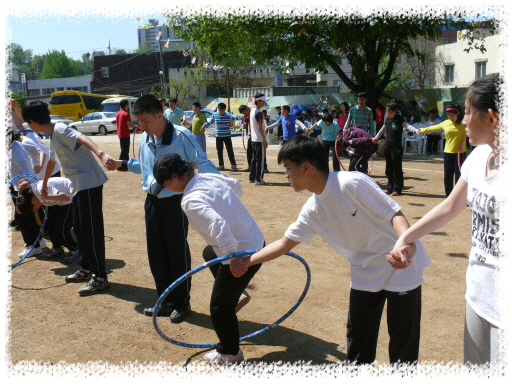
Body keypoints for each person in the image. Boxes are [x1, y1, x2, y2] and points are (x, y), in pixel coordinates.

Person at [231, 135, 431, 366]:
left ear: (306, 167)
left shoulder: (350, 183)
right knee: (358, 337)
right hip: (364, 271)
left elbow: (394, 213)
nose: (285, 175)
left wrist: (407, 245)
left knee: (402, 340)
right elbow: (284, 244)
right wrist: (246, 260)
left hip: (401, 265)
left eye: (287, 168)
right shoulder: (312, 210)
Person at [388, 73, 504, 366]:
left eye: (467, 112)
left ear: (491, 118)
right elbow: (450, 206)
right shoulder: (479, 157)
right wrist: (406, 237)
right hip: (479, 295)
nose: (463, 121)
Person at [111, 94, 219, 323]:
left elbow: (202, 163)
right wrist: (121, 164)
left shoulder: (182, 136)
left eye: (146, 121)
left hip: (175, 202)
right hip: (151, 202)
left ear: (160, 115)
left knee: (177, 252)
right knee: (156, 253)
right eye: (139, 122)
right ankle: (165, 300)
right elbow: (145, 167)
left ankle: (182, 302)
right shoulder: (146, 139)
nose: (142, 126)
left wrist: (221, 190)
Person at [153, 153, 264, 365]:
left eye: (165, 182)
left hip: (243, 253)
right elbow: (235, 186)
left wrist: (234, 259)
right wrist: (226, 204)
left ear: (176, 176)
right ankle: (237, 293)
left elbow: (220, 227)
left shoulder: (190, 200)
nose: (165, 187)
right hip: (257, 240)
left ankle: (230, 353)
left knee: (219, 307)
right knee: (209, 253)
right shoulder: (207, 177)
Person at [22, 100, 116, 296]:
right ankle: (86, 268)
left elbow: (81, 137)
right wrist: (46, 183)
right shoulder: (53, 135)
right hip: (77, 185)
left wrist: (102, 154)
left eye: (28, 124)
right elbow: (52, 161)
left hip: (88, 183)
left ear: (32, 122)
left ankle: (100, 277)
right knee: (80, 230)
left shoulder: (61, 129)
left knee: (91, 231)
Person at [6, 127, 46, 258]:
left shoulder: (15, 149)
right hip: (18, 186)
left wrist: (26, 183)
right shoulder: (11, 147)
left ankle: (32, 246)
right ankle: (38, 241)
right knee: (29, 217)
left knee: (21, 217)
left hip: (25, 187)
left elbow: (25, 166)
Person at [16, 177, 78, 260]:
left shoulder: (42, 190)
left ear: (33, 202)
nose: (37, 209)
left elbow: (66, 197)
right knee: (51, 225)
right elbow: (19, 211)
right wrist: (20, 191)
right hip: (57, 200)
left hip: (69, 198)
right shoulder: (27, 196)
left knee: (61, 227)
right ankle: (57, 248)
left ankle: (75, 250)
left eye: (34, 208)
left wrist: (47, 197)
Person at [415, 104, 467, 197]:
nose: (450, 118)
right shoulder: (446, 122)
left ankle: (459, 197)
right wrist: (422, 130)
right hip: (448, 153)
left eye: (452, 116)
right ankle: (449, 196)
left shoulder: (464, 123)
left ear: (458, 114)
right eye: (448, 116)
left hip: (460, 153)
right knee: (448, 176)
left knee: (459, 176)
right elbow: (434, 127)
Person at [373, 101, 406, 196]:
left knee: (397, 168)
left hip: (397, 147)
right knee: (388, 168)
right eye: (387, 112)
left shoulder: (400, 119)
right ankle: (389, 187)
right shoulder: (387, 119)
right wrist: (376, 138)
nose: (388, 114)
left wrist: (416, 130)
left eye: (390, 112)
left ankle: (397, 188)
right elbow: (382, 129)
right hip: (387, 146)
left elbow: (407, 126)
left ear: (395, 111)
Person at [203, 102, 237, 171]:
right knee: (219, 151)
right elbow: (210, 122)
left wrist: (244, 116)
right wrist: (204, 125)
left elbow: (236, 117)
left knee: (230, 150)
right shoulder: (214, 114)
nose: (221, 111)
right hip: (218, 136)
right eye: (220, 110)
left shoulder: (228, 115)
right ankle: (221, 165)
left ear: (225, 110)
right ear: (218, 109)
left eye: (223, 110)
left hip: (227, 136)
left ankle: (233, 165)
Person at [249, 93, 269, 186]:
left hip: (253, 138)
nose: (264, 102)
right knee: (260, 160)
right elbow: (260, 128)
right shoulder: (258, 112)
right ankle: (259, 179)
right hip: (259, 139)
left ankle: (252, 177)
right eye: (263, 101)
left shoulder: (252, 110)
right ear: (258, 101)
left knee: (254, 159)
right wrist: (264, 140)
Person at [116, 99, 139, 171]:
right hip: (125, 134)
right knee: (125, 151)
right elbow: (129, 125)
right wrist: (136, 126)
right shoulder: (126, 114)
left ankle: (122, 166)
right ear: (126, 105)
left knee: (123, 150)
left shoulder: (118, 114)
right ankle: (121, 166)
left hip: (120, 134)